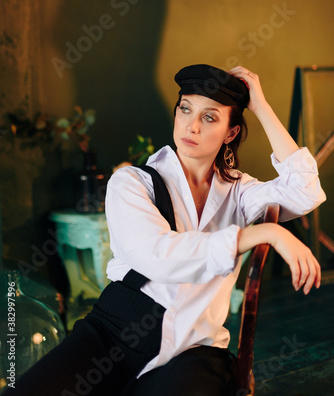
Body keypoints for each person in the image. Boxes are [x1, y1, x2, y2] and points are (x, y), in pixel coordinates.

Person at [6, 65, 325, 396]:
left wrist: (259, 105)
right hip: (116, 330)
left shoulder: (240, 192)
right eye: (185, 109)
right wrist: (265, 234)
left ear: (230, 132)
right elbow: (157, 255)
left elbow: (306, 191)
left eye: (210, 117)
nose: (192, 125)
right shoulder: (132, 182)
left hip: (194, 347)